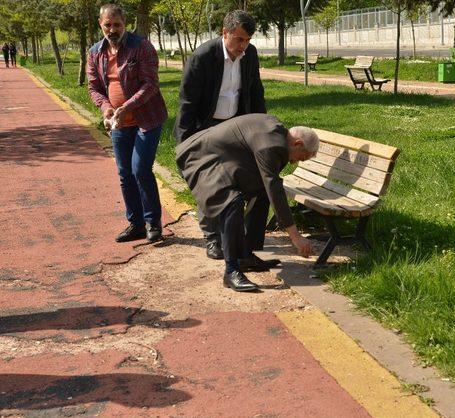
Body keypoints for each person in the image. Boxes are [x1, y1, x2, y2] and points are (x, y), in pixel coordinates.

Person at [176, 114, 316, 292]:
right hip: (199, 157)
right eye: (301, 157)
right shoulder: (272, 145)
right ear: (297, 143)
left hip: (224, 156)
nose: (295, 162)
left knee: (262, 194)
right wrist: (295, 237)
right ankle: (231, 270)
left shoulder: (278, 133)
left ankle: (245, 256)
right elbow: (274, 188)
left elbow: (269, 185)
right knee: (231, 202)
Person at [174, 10, 266, 261]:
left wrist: (262, 130)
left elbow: (256, 92)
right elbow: (187, 104)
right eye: (239, 39)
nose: (243, 46)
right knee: (211, 185)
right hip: (205, 128)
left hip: (237, 127)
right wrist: (185, 145)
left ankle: (243, 240)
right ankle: (212, 239)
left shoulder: (250, 55)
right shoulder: (202, 57)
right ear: (224, 33)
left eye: (248, 40)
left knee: (247, 181)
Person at [87, 3, 168, 243]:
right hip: (118, 123)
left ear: (125, 25)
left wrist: (126, 107)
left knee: (140, 169)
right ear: (100, 25)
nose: (112, 29)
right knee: (124, 174)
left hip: (146, 119)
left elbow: (150, 85)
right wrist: (106, 108)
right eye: (108, 25)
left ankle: (153, 223)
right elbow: (94, 87)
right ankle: (136, 223)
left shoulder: (142, 47)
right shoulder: (95, 52)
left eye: (117, 24)